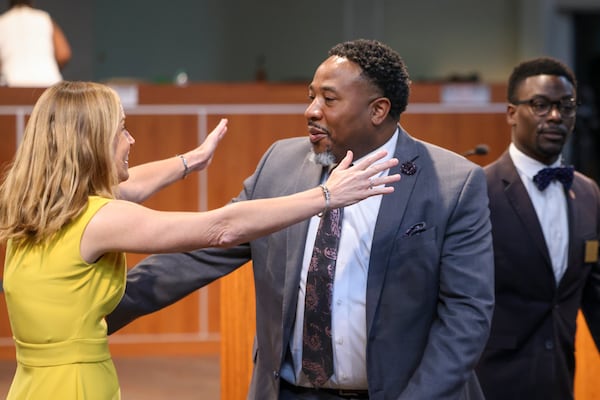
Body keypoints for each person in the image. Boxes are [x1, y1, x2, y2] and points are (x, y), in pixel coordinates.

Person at [107, 39, 495, 399]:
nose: (311, 111)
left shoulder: (452, 183)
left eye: (329, 99)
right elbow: (200, 252)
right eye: (311, 97)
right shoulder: (280, 164)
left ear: (378, 110)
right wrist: (96, 311)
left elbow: (467, 314)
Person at [0, 81, 399, 399]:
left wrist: (191, 160)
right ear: (91, 144)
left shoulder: (35, 204)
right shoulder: (101, 219)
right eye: (121, 129)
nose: (131, 141)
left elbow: (131, 184)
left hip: (33, 383)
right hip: (77, 387)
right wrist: (327, 195)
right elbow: (220, 228)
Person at [475, 57, 600, 400]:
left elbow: (593, 294)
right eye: (541, 105)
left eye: (566, 107)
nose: (556, 116)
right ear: (512, 113)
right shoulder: (478, 191)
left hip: (560, 380)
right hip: (490, 384)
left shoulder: (589, 193)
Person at [0, 0, 71, 87]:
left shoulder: (2, 21)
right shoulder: (44, 18)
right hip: (48, 83)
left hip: (12, 84)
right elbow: (63, 54)